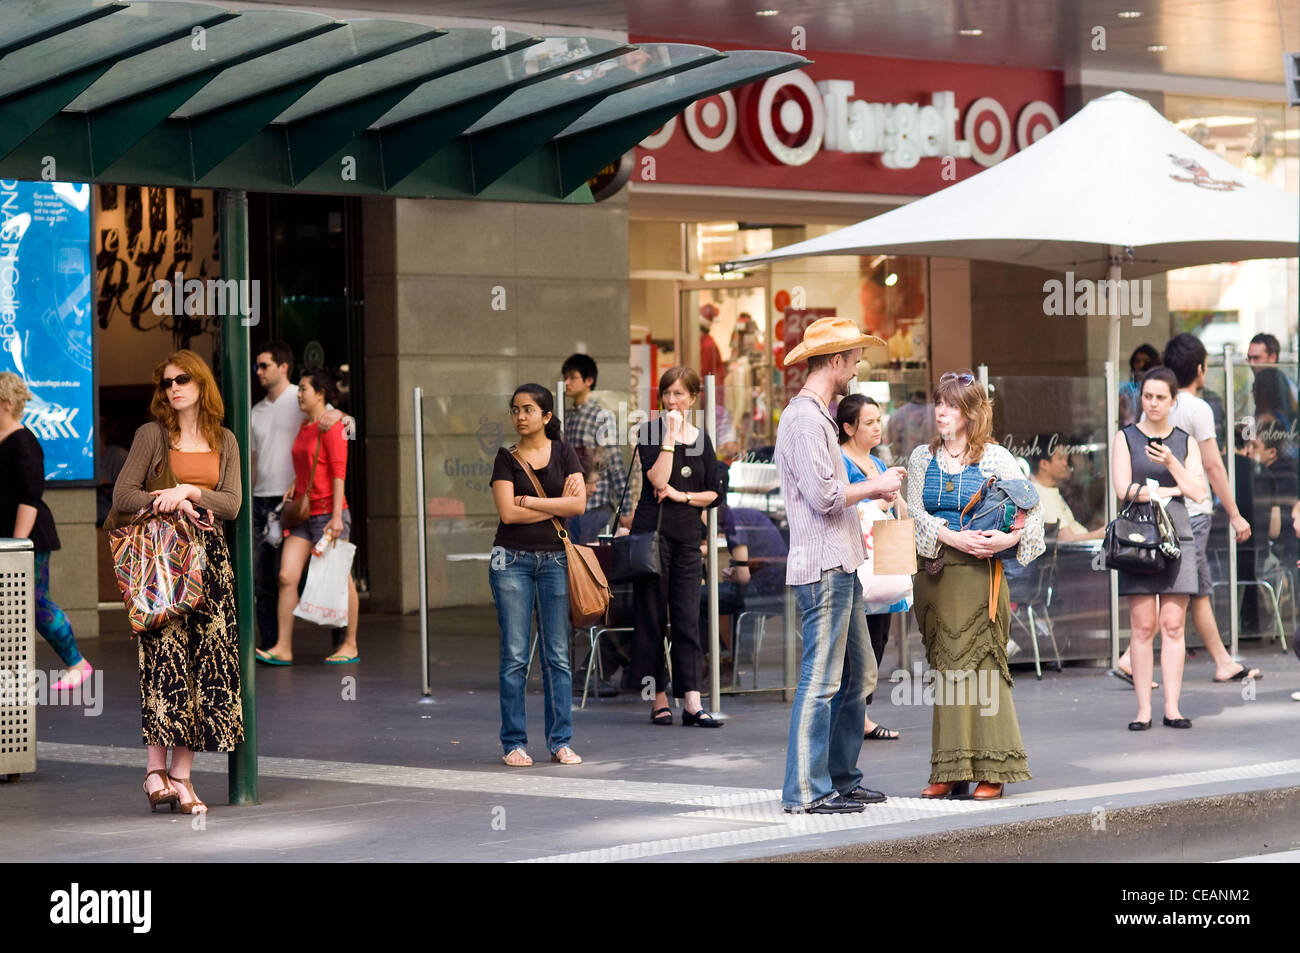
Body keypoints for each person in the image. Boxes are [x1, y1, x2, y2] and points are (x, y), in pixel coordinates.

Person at [776, 317, 904, 815]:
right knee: (823, 681)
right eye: (851, 359)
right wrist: (876, 486)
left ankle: (840, 779)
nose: (855, 368)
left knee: (857, 676)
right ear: (834, 361)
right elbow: (826, 497)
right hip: (825, 565)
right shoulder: (806, 418)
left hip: (839, 562)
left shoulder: (815, 416)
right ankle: (806, 791)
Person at [111, 350, 243, 815]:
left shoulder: (223, 439)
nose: (174, 388)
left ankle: (182, 778)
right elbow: (123, 494)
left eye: (182, 379)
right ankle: (153, 772)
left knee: (205, 670)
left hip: (211, 566)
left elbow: (231, 504)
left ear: (201, 383)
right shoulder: (152, 434)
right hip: (163, 565)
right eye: (167, 382)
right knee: (163, 666)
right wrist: (167, 500)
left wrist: (190, 491)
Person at [907, 370, 1043, 801]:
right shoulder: (919, 459)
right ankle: (950, 768)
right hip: (934, 577)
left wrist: (1007, 538)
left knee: (984, 669)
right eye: (938, 403)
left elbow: (1032, 511)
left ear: (970, 413)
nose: (941, 412)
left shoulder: (997, 458)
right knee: (946, 673)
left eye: (951, 405)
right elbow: (911, 513)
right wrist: (952, 536)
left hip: (980, 577)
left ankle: (993, 768)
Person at [1115, 334, 1259, 684]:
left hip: (1171, 515)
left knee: (1197, 590)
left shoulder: (1165, 410)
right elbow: (1213, 465)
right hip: (1186, 518)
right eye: (1148, 397)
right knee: (1182, 592)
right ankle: (1132, 658)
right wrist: (1234, 512)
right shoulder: (1198, 409)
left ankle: (1222, 660)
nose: (1153, 402)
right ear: (1199, 368)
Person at [488, 384, 585, 766]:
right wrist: (554, 505)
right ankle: (513, 743)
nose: (520, 416)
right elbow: (507, 515)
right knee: (514, 656)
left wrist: (528, 500)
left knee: (557, 655)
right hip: (510, 561)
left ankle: (560, 740)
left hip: (556, 561)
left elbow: (578, 506)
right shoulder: (505, 458)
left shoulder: (564, 451)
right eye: (515, 410)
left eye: (528, 409)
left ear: (546, 416)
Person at [1110, 366, 1208, 731]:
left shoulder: (1184, 441)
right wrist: (1168, 491)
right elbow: (1124, 489)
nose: (1152, 403)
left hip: (1176, 534)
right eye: (1147, 396)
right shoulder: (1126, 437)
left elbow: (1198, 491)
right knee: (1142, 625)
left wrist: (1171, 464)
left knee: (1173, 624)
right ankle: (1143, 709)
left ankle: (1172, 707)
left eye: (1160, 397)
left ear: (1172, 400)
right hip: (1137, 536)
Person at [633, 367, 721, 727]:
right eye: (667, 393)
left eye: (680, 394)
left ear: (694, 398)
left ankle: (693, 701)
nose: (672, 400)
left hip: (687, 539)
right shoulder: (650, 432)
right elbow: (657, 477)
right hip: (653, 538)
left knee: (687, 618)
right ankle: (657, 698)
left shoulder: (702, 438)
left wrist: (682, 496)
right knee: (652, 617)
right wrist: (669, 435)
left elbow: (715, 493)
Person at [255, 368, 359, 666]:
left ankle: (350, 643)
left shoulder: (333, 425)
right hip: (302, 513)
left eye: (304, 389)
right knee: (287, 576)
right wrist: (293, 486)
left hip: (329, 513)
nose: (299, 394)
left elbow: (339, 472)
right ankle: (283, 647)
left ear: (321, 393)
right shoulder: (305, 426)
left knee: (342, 579)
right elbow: (305, 464)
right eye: (298, 389)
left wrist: (338, 516)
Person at [0, 373, 93, 691]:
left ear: (7, 404)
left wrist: (17, 546)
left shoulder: (24, 444)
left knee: (38, 604)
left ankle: (77, 664)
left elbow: (30, 497)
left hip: (27, 539)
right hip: (9, 539)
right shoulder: (4, 441)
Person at [836, 393, 906, 741]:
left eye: (879, 420)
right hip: (856, 561)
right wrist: (873, 496)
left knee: (878, 639)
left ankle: (861, 711)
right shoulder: (841, 461)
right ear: (848, 427)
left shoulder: (878, 463)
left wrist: (892, 495)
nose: (877, 427)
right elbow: (841, 502)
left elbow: (893, 512)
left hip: (881, 563)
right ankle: (852, 715)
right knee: (855, 644)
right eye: (868, 422)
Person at [560, 353, 627, 544]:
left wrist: (626, 506)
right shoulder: (567, 416)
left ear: (589, 380)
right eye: (565, 377)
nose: (567, 383)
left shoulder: (600, 414)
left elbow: (613, 460)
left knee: (592, 563)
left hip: (596, 504)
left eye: (573, 377)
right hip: (571, 504)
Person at [1026, 440, 1104, 542]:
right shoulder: (1042, 496)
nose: (1065, 464)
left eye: (1066, 459)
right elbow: (1066, 539)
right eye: (1060, 458)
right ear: (1044, 464)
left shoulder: (1050, 490)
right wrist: (1101, 533)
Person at [1119, 344, 1161, 427]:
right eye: (1137, 361)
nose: (1141, 365)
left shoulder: (1161, 387)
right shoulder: (1126, 388)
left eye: (1145, 361)